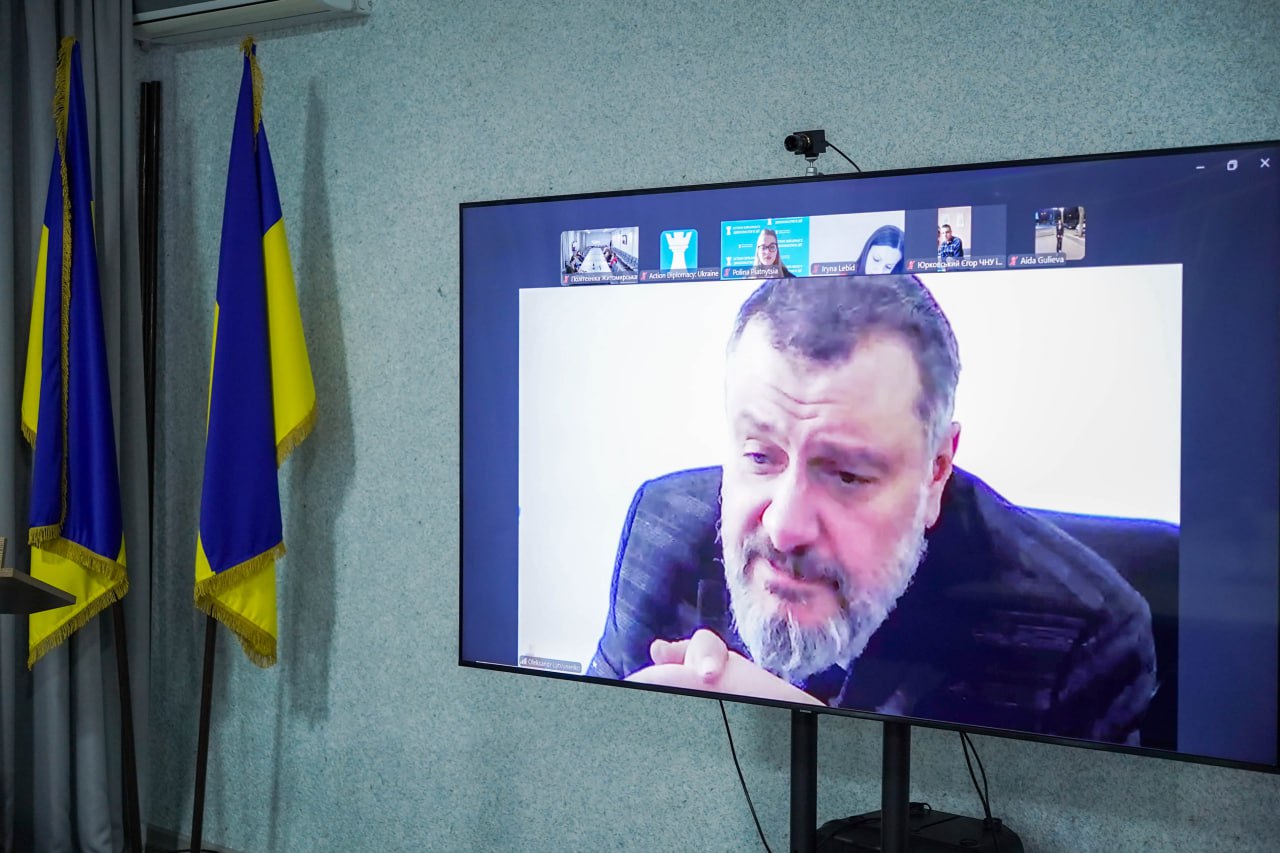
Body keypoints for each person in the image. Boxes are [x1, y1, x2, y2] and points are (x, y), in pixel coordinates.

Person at [588, 274, 1159, 744]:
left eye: (847, 475)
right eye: (760, 457)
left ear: (936, 471)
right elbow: (589, 768)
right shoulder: (664, 529)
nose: (784, 528)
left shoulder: (1079, 639)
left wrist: (810, 742)